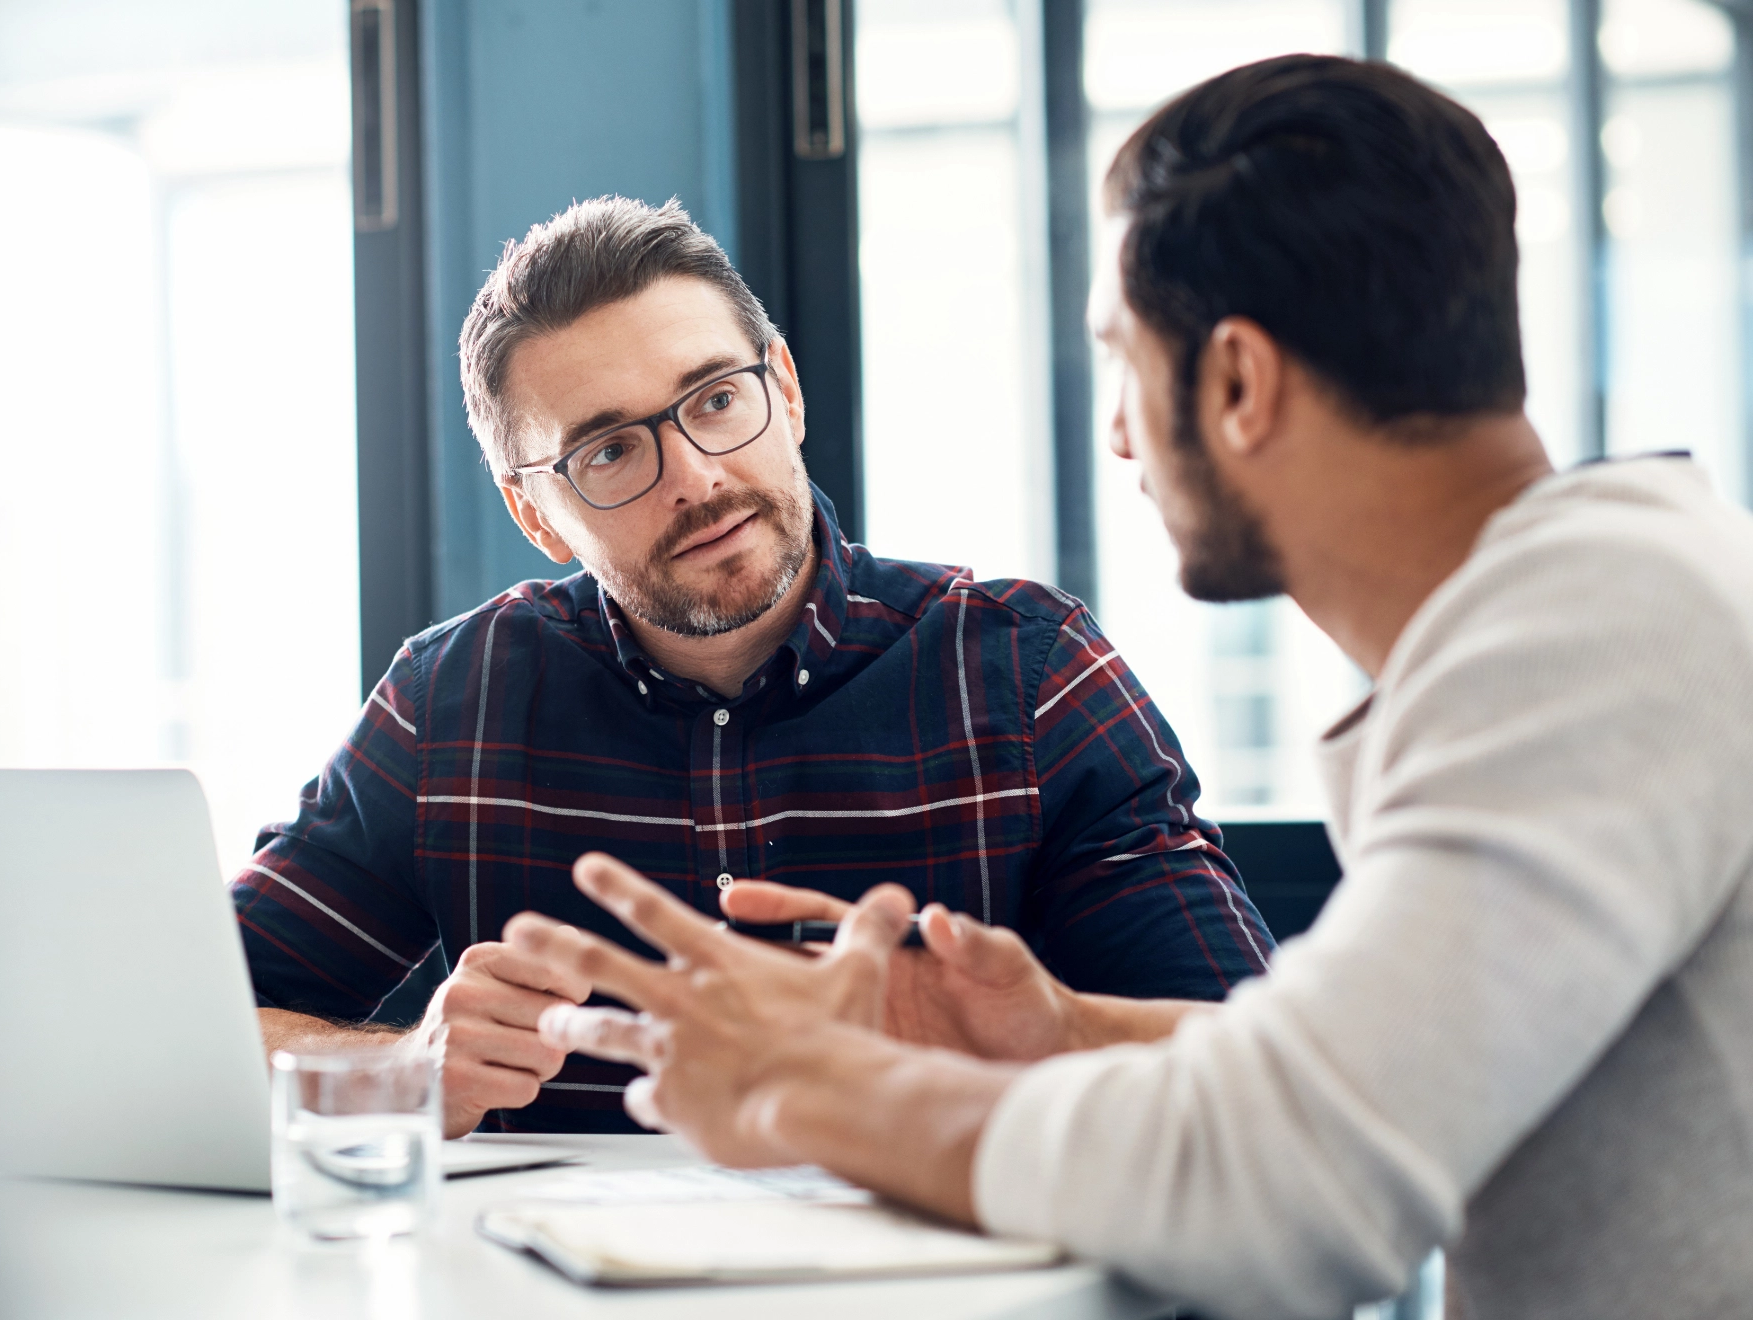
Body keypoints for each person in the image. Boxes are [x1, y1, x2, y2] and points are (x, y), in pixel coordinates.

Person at [506, 55, 1753, 1319]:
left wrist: (810, 1088)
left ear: (1235, 385)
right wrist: (1058, 1028)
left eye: (1122, 360)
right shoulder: (1599, 606)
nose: (1115, 433)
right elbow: (1363, 1075)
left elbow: (1286, 1190)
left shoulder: (1591, 635)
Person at [229, 196, 1273, 1137]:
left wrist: (1026, 1037)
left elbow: (1251, 1072)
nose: (695, 474)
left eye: (717, 399)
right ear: (534, 513)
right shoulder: (447, 705)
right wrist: (399, 1071)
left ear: (786, 389)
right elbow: (190, 1029)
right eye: (609, 452)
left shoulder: (1029, 673)